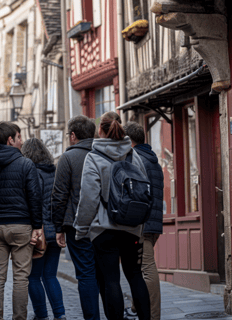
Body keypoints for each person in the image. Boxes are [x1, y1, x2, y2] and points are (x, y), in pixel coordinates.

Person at [74, 111, 151, 320]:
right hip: (131, 228)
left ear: (100, 130)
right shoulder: (133, 154)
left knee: (111, 280)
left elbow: (88, 198)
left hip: (104, 229)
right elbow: (145, 189)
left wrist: (81, 229)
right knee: (135, 276)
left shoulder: (94, 157)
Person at [0, 121, 43, 320]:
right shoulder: (26, 164)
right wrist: (37, 226)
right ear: (10, 140)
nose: (22, 141)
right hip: (21, 225)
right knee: (21, 277)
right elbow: (34, 197)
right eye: (19, 137)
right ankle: (19, 318)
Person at [51, 115, 100, 320]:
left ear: (73, 136)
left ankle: (92, 318)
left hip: (77, 224)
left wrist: (58, 227)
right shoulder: (103, 154)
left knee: (86, 273)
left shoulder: (69, 158)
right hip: (107, 223)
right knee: (107, 274)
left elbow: (59, 195)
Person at [21, 138, 66, 320]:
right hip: (55, 231)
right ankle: (60, 314)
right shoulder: (54, 172)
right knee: (50, 276)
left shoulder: (32, 174)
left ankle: (41, 315)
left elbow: (34, 204)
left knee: (33, 277)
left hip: (39, 232)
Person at [124, 121, 164, 320]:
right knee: (139, 267)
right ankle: (136, 307)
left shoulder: (136, 159)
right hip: (153, 221)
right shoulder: (152, 159)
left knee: (147, 268)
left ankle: (152, 315)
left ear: (129, 140)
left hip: (142, 223)